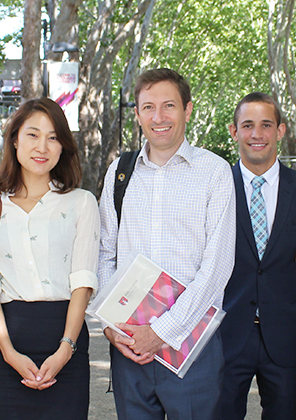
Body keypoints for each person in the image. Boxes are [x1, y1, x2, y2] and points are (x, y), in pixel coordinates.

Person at [98, 68, 235, 420]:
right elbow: (105, 252)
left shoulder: (215, 172)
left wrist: (161, 332)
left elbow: (217, 267)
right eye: (148, 107)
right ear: (137, 114)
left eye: (169, 106)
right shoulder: (120, 172)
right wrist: (110, 324)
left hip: (191, 348)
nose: (158, 117)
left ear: (188, 110)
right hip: (129, 348)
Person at [0, 98, 99, 419]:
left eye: (53, 137)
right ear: (15, 139)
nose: (42, 146)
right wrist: (9, 354)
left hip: (65, 341)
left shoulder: (82, 203)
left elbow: (82, 281)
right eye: (32, 135)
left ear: (62, 147)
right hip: (6, 344)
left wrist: (65, 349)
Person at [217, 92, 296, 419]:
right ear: (234, 131)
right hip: (226, 334)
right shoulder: (216, 187)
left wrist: (281, 300)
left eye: (266, 125)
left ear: (279, 131)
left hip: (286, 336)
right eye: (247, 125)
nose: (257, 134)